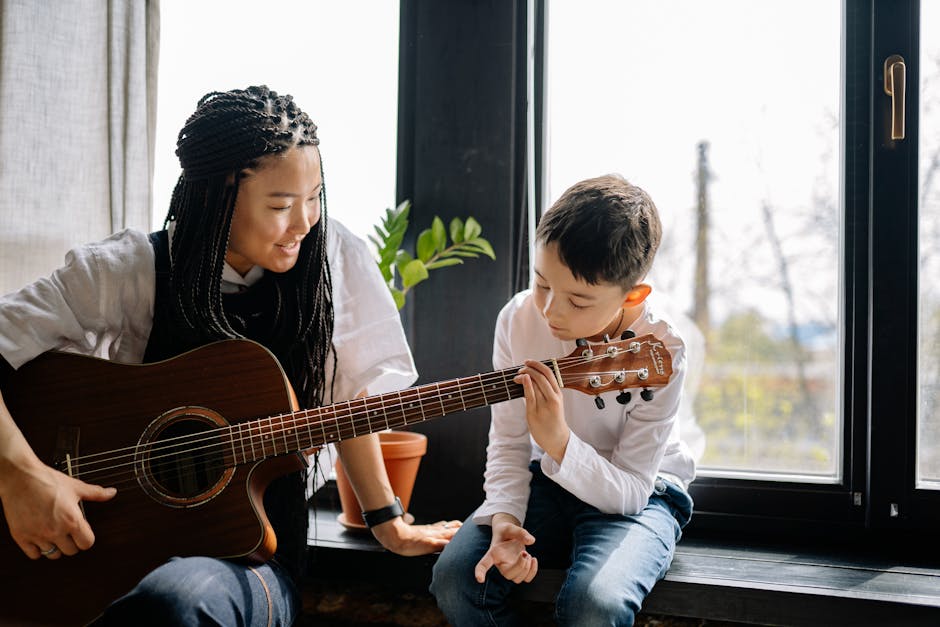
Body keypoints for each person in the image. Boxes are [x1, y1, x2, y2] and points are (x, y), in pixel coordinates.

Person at [0, 85, 459, 626]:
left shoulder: (333, 259)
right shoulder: (128, 270)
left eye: (315, 197)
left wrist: (388, 520)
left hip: (250, 565)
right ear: (218, 196)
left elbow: (348, 397)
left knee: (174, 602)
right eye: (281, 205)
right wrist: (19, 474)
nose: (305, 221)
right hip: (112, 546)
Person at [429, 174, 698, 626]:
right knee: (458, 580)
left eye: (578, 300)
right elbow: (510, 443)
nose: (551, 310)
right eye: (541, 283)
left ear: (632, 295)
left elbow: (633, 491)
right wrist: (505, 520)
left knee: (595, 605)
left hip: (644, 491)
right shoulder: (518, 319)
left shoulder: (661, 350)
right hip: (546, 481)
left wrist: (558, 443)